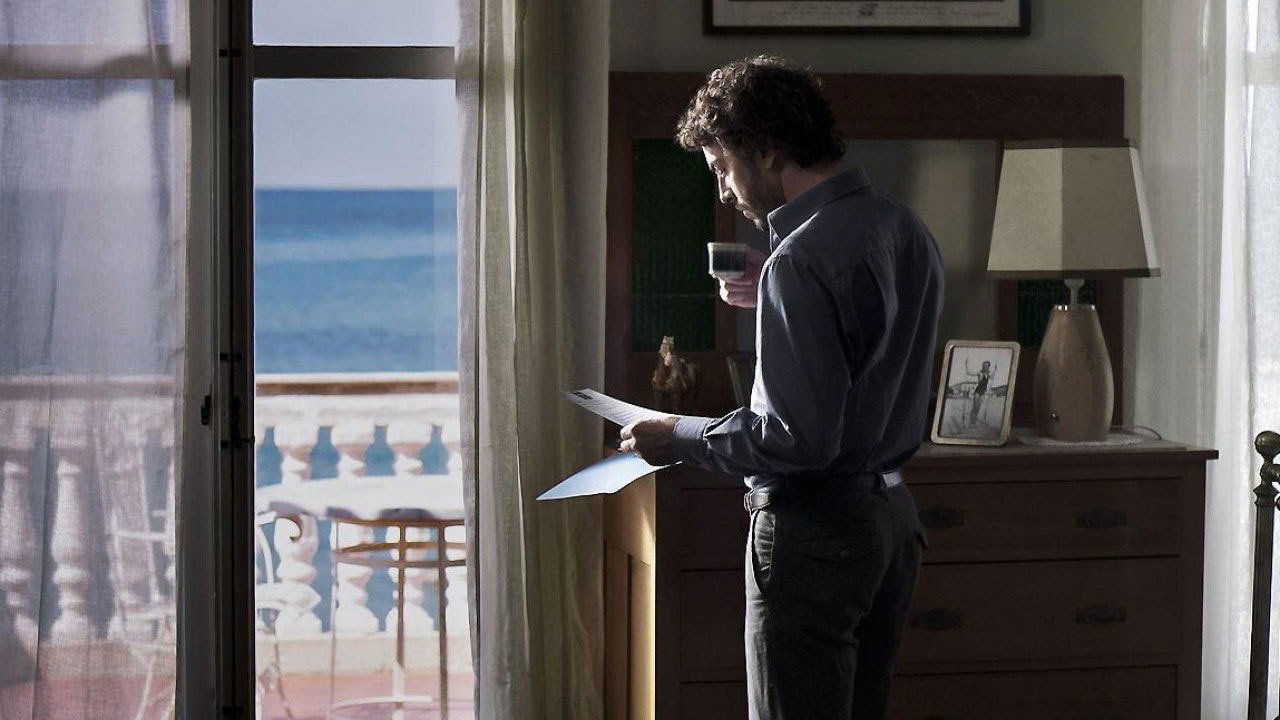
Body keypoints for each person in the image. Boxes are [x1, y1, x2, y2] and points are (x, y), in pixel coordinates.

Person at [619, 55, 944, 720]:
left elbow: (796, 439)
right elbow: (870, 348)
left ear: (766, 151)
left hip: (816, 531)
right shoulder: (901, 225)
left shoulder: (801, 260)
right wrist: (776, 284)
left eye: (722, 168)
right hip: (891, 521)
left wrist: (677, 436)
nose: (722, 192)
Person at [965, 359, 994, 427]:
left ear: (988, 367)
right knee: (975, 406)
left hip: (983, 392)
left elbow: (992, 377)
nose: (985, 367)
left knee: (978, 407)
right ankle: (971, 422)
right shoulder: (980, 373)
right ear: (983, 366)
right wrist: (966, 365)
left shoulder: (988, 375)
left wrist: (995, 369)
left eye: (986, 366)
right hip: (977, 391)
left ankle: (974, 422)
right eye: (984, 365)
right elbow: (969, 372)